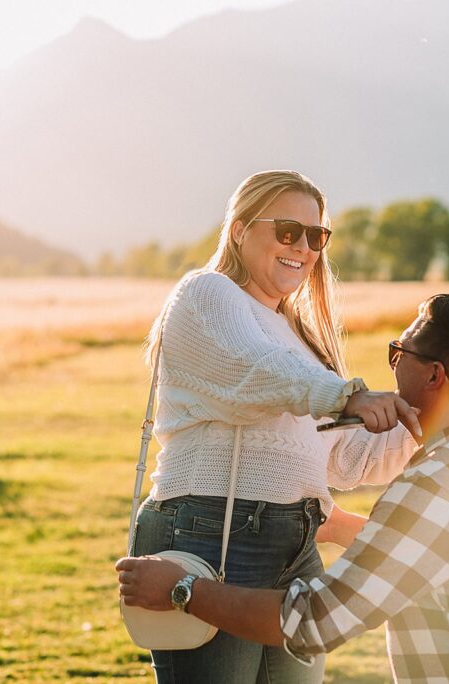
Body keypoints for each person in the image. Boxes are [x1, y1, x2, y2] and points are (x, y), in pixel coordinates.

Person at [118, 295, 449, 683]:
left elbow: (316, 619)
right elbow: (439, 553)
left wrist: (183, 591)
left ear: (434, 375)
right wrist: (339, 526)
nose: (393, 367)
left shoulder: (433, 486)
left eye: (399, 353)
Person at [129, 169, 421, 684]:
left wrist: (426, 417)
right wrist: (348, 393)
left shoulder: (299, 337)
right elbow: (254, 371)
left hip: (297, 539)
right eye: (288, 231)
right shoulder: (206, 294)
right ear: (240, 230)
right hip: (212, 531)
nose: (304, 248)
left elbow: (350, 460)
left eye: (316, 236)